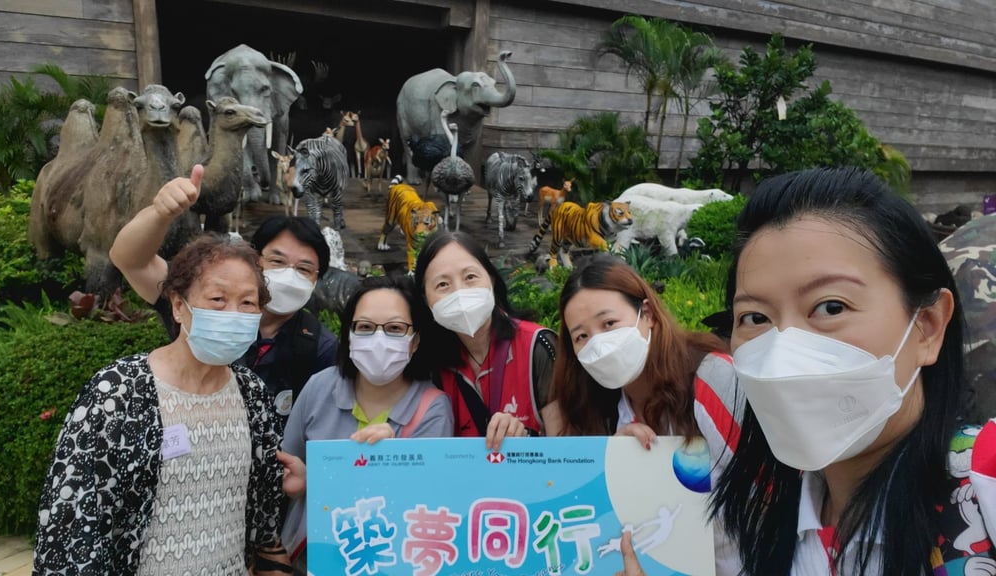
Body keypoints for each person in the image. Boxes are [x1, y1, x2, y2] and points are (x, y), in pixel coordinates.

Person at [623, 166, 996, 575]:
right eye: (755, 317)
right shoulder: (773, 519)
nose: (783, 353)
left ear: (927, 327)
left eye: (831, 307)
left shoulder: (983, 481)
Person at [35, 234, 290, 575]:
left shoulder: (251, 394)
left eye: (248, 303)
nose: (234, 314)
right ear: (179, 305)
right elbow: (72, 519)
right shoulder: (120, 391)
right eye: (217, 298)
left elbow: (263, 515)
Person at [110, 165, 338, 428]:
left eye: (304, 269)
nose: (289, 275)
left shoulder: (319, 346)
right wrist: (159, 214)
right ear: (255, 260)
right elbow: (130, 260)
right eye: (277, 260)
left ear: (316, 278)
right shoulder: (197, 294)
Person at [276, 274, 454, 574]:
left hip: (387, 562)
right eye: (366, 328)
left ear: (416, 341)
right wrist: (300, 481)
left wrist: (392, 459)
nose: (379, 340)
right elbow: (285, 465)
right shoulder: (319, 387)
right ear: (349, 335)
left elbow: (424, 503)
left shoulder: (433, 408)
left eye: (396, 329)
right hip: (312, 560)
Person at [543, 253, 732, 447]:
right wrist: (614, 458)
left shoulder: (711, 377)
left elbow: (752, 473)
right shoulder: (592, 406)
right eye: (581, 336)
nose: (598, 346)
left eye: (609, 323)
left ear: (647, 314)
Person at [413, 231, 557, 446]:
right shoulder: (429, 363)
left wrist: (525, 438)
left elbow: (565, 448)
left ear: (491, 279)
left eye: (470, 277)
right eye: (442, 285)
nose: (459, 292)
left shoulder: (538, 346)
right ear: (426, 299)